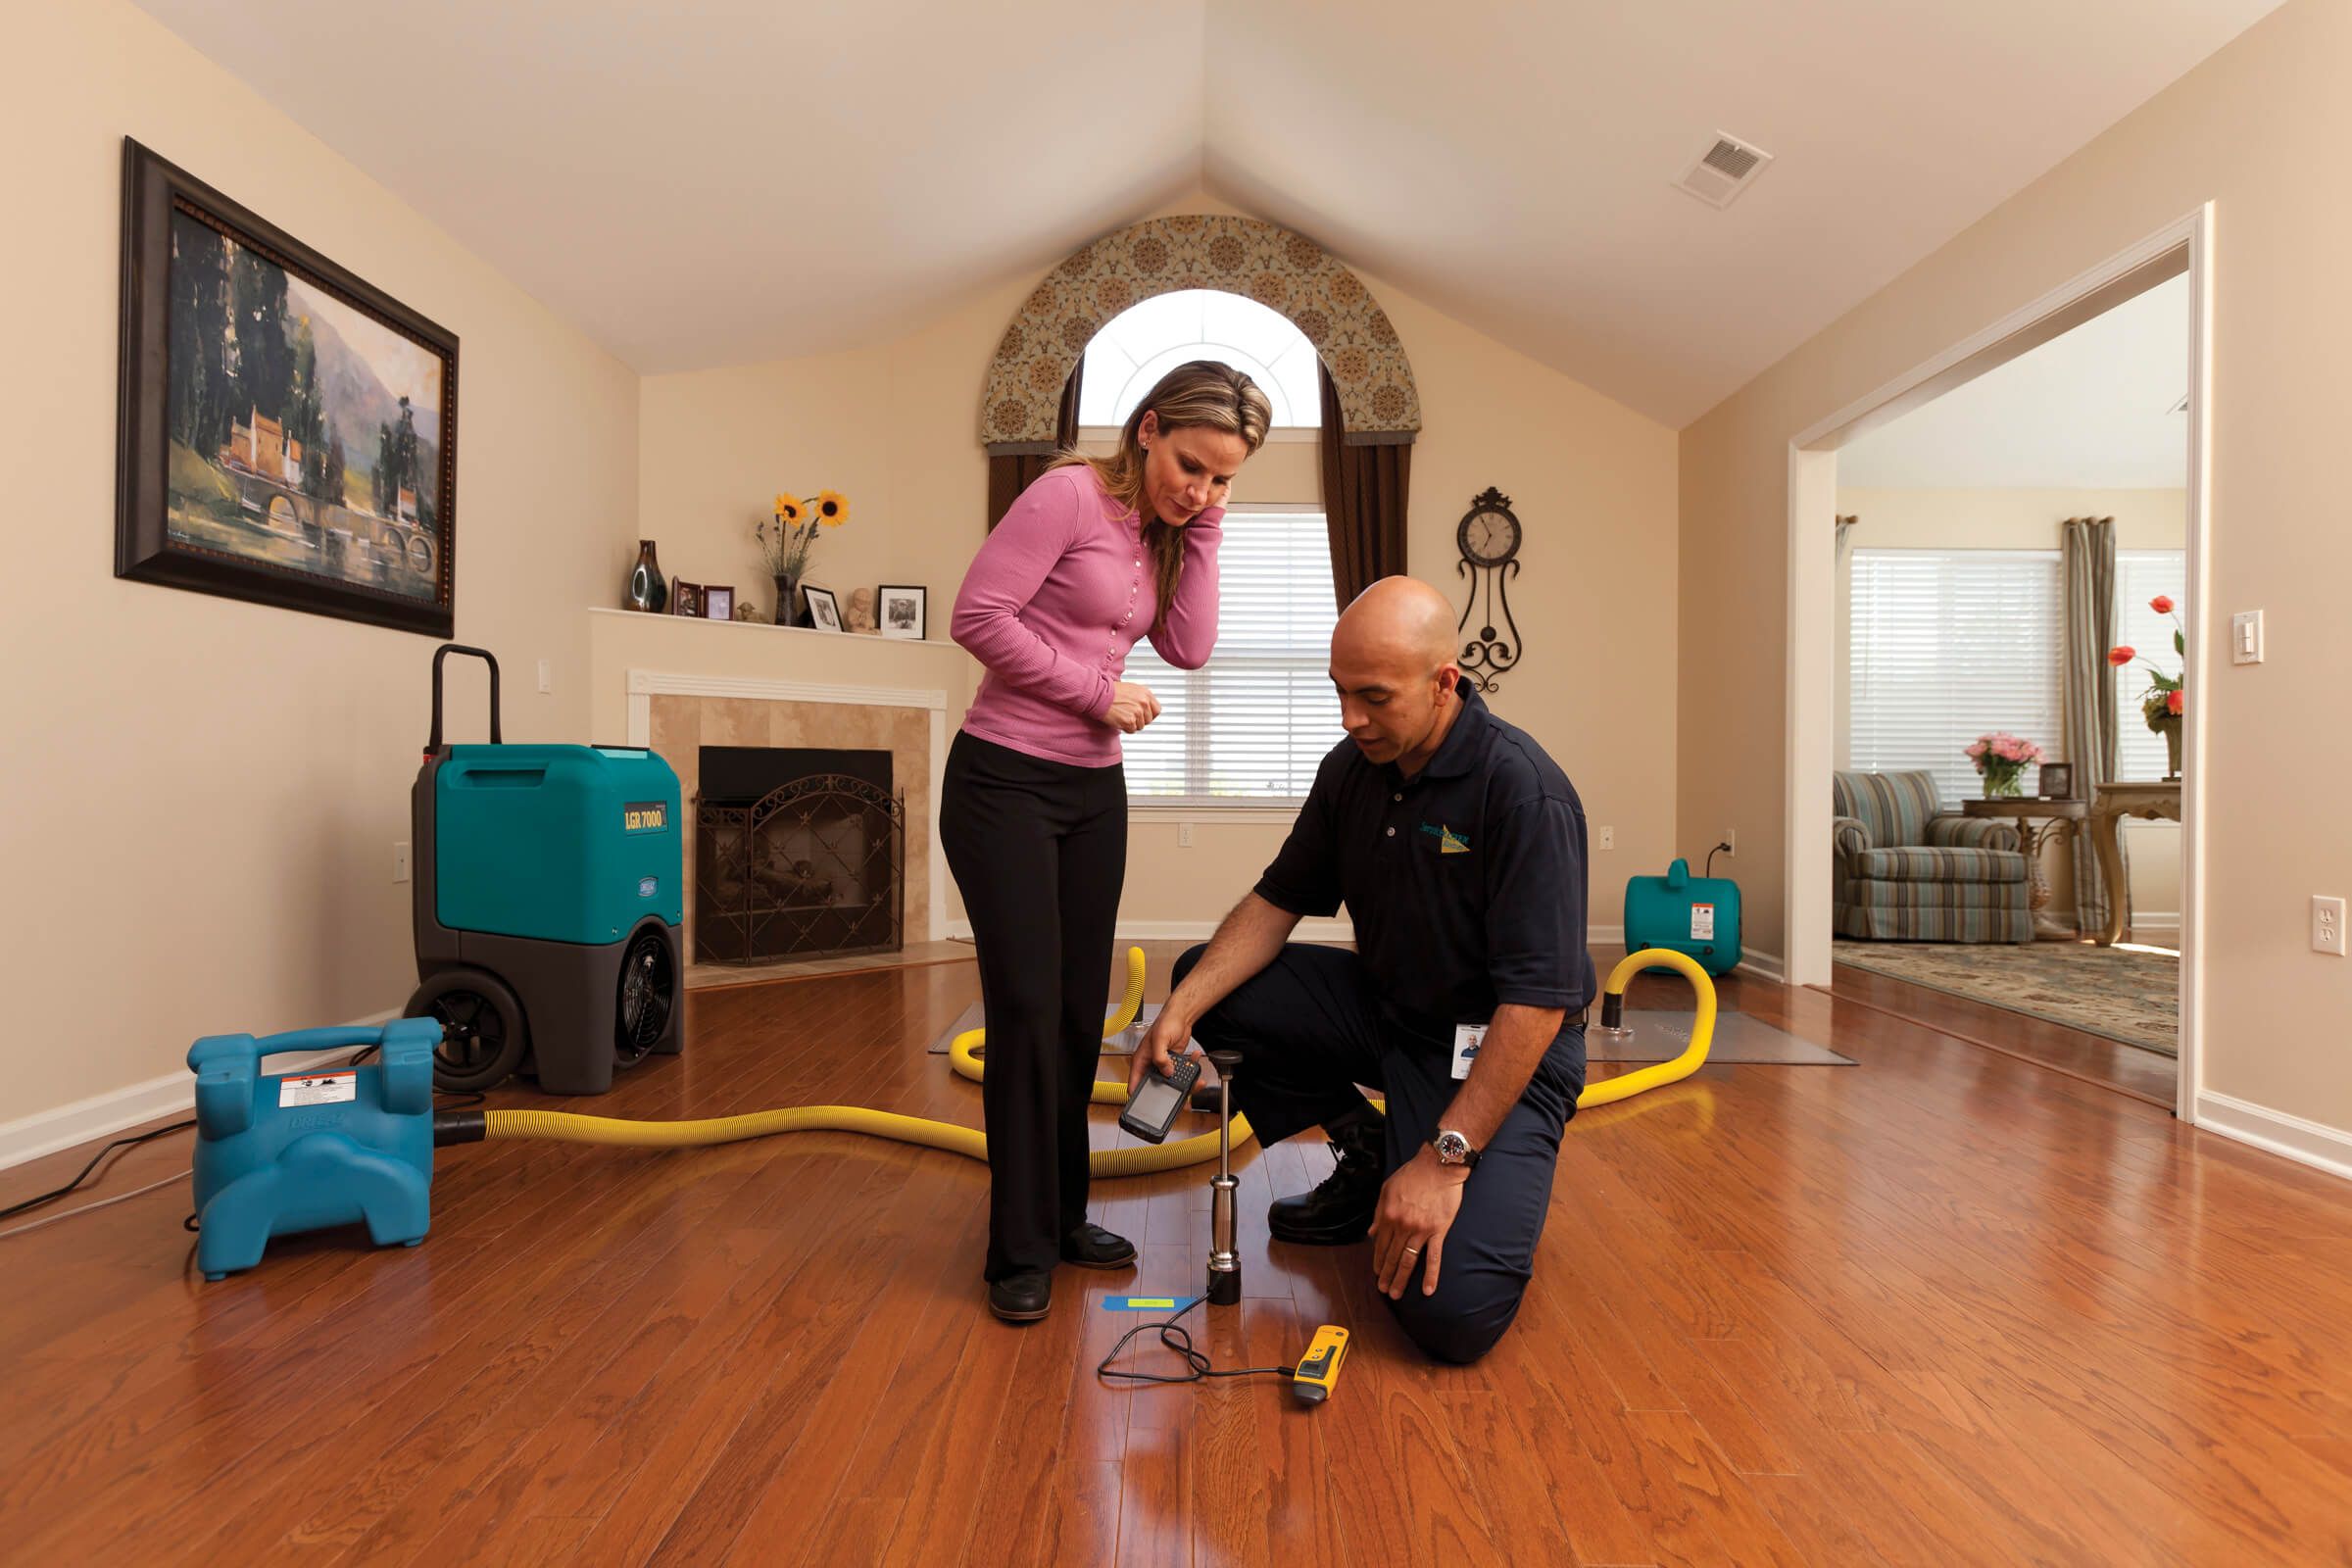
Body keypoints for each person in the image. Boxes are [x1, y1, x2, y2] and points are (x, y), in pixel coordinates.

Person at [1131, 576, 1595, 1363]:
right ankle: (1371, 1149)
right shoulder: (1352, 768)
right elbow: (1278, 901)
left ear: (1444, 683)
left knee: (1450, 1318)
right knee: (1205, 978)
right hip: (1390, 1015)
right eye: (1341, 693)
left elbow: (1535, 1006)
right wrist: (1179, 1011)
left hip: (1503, 1049)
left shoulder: (1521, 792)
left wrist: (1445, 1162)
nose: (1351, 719)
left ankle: (1438, 1163)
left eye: (1374, 697)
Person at [945, 361, 1272, 1323]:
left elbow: (1191, 645)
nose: (1200, 489)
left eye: (1222, 479)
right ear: (1148, 427)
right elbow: (977, 614)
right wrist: (1096, 693)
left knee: (1081, 1013)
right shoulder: (1066, 494)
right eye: (1191, 466)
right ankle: (1017, 1249)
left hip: (1093, 792)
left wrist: (1203, 528)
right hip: (1001, 780)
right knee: (1027, 1007)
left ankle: (1063, 1217)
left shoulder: (1171, 532)